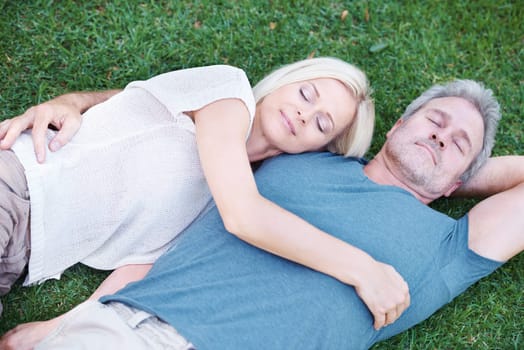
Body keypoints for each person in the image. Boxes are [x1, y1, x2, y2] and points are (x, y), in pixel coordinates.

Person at [2, 79, 522, 350]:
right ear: (397, 125)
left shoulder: (450, 247)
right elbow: (185, 106)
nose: (440, 135)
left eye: (459, 144)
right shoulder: (303, 155)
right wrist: (65, 323)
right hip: (132, 328)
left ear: (461, 182)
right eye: (435, 121)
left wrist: (447, 177)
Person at [0, 57, 410, 328]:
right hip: (17, 186)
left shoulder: (225, 194)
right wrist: (363, 268)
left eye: (322, 124)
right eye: (307, 94)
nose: (306, 114)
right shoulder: (228, 93)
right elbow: (244, 215)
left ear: (316, 152)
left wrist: (58, 329)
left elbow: (140, 268)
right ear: (286, 83)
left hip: (20, 260)